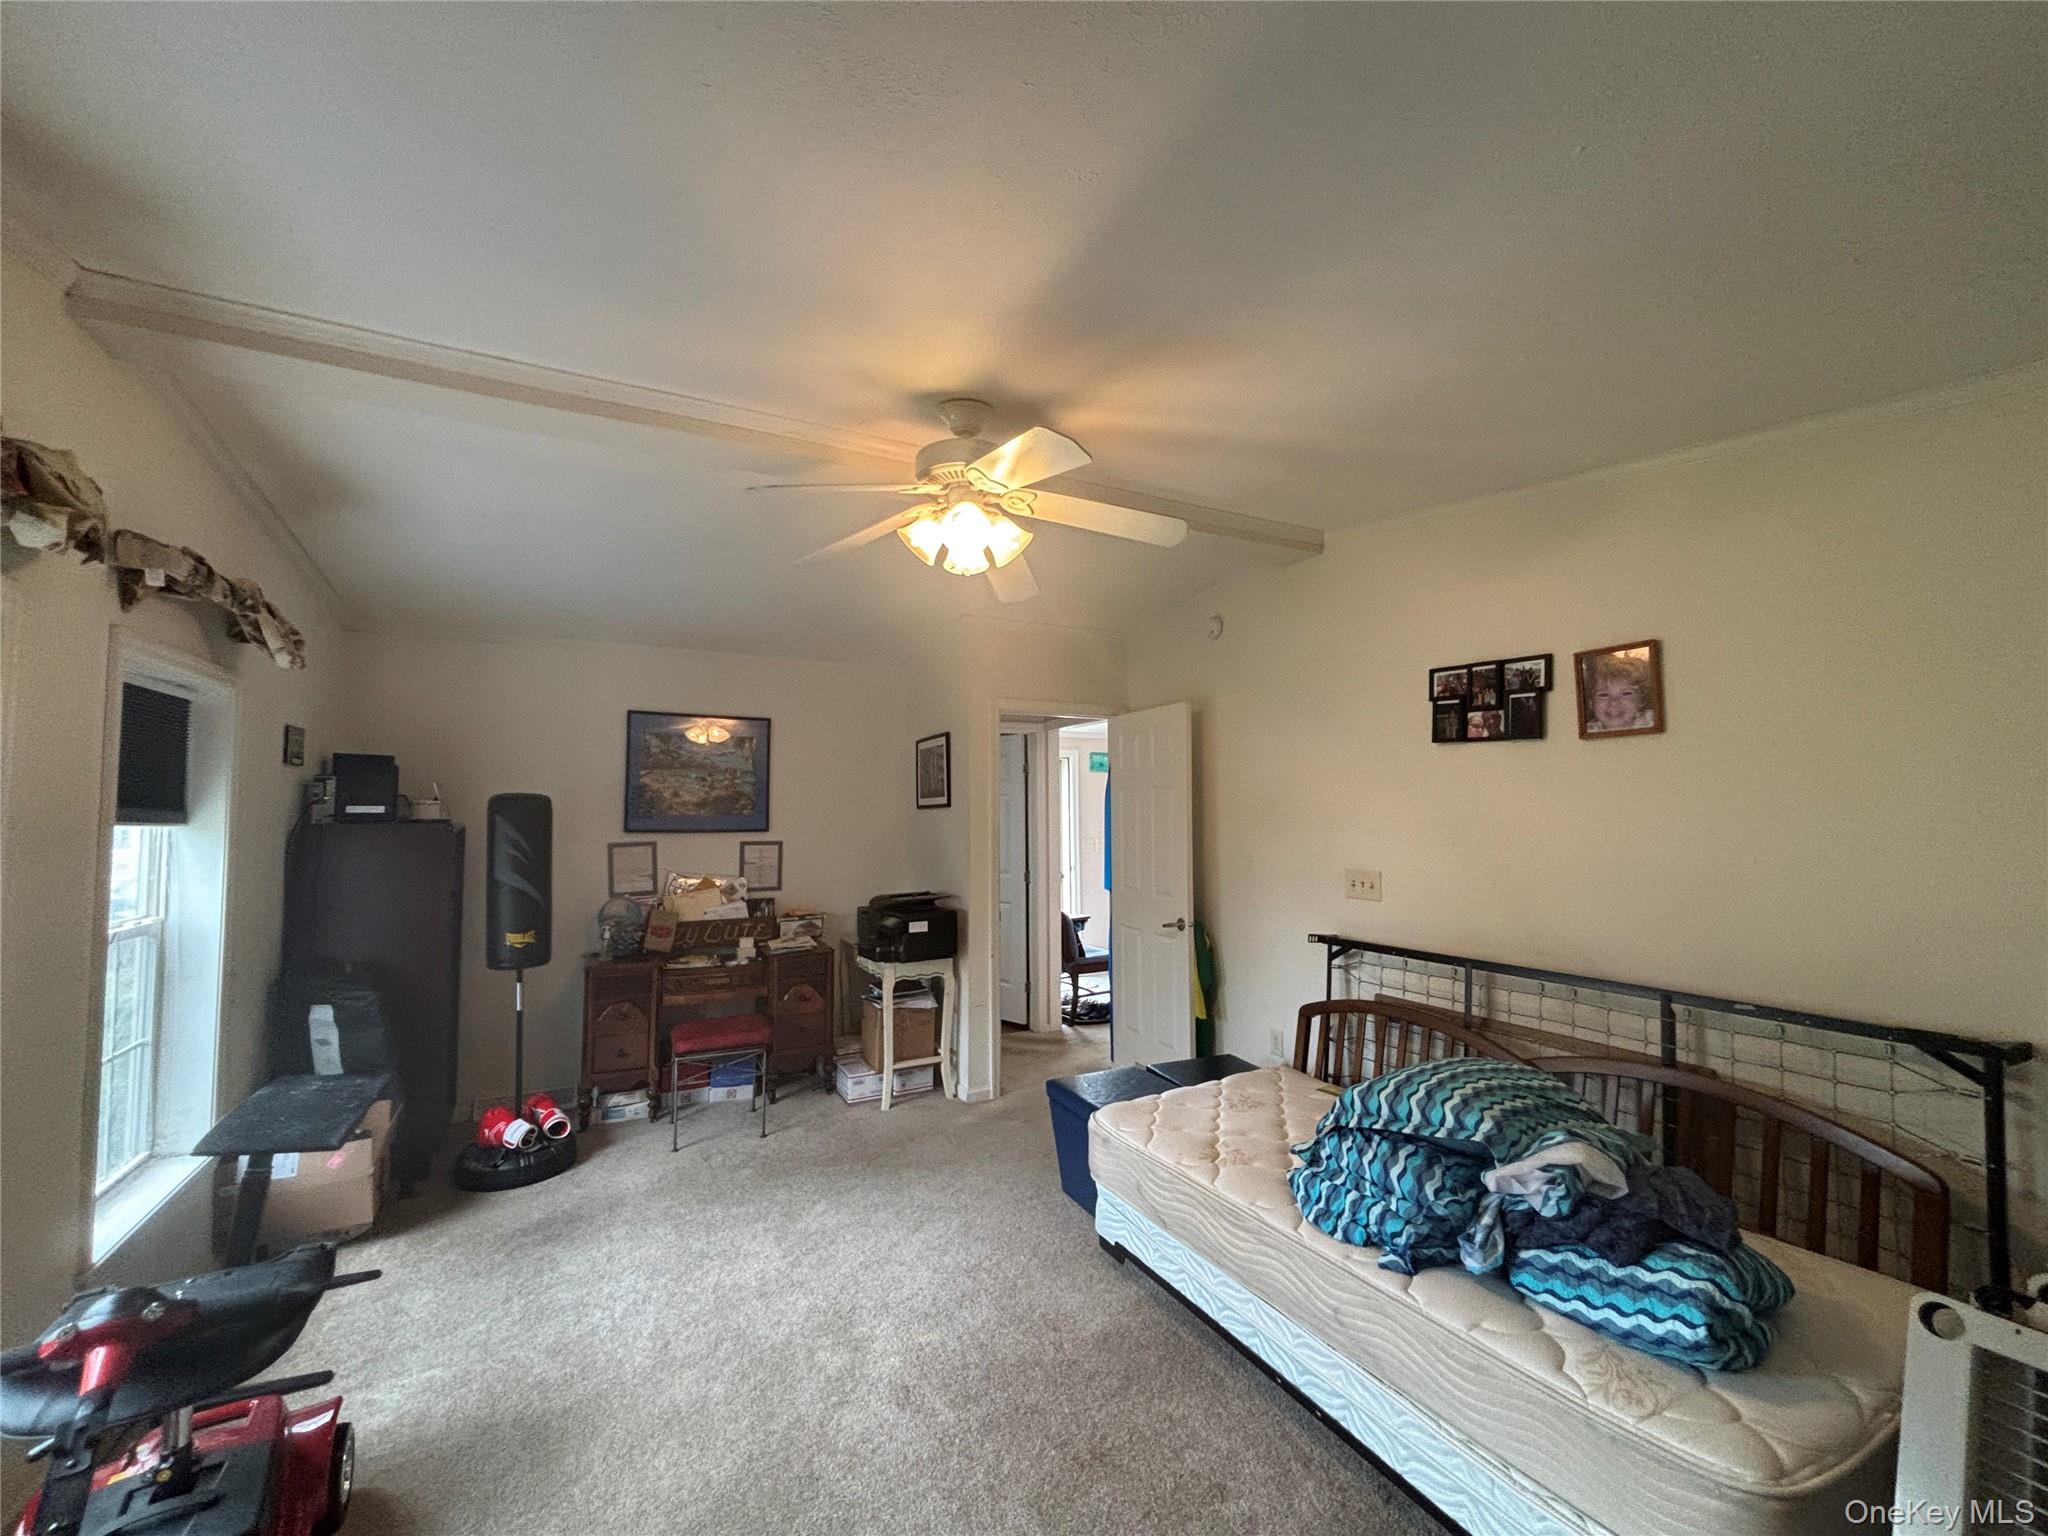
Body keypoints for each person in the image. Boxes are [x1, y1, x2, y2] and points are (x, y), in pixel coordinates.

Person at [1586, 651, 1657, 732]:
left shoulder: (1652, 722)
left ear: (1642, 701)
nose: (1614, 702)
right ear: (1591, 703)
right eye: (1604, 695)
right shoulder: (1587, 731)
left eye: (1626, 693)